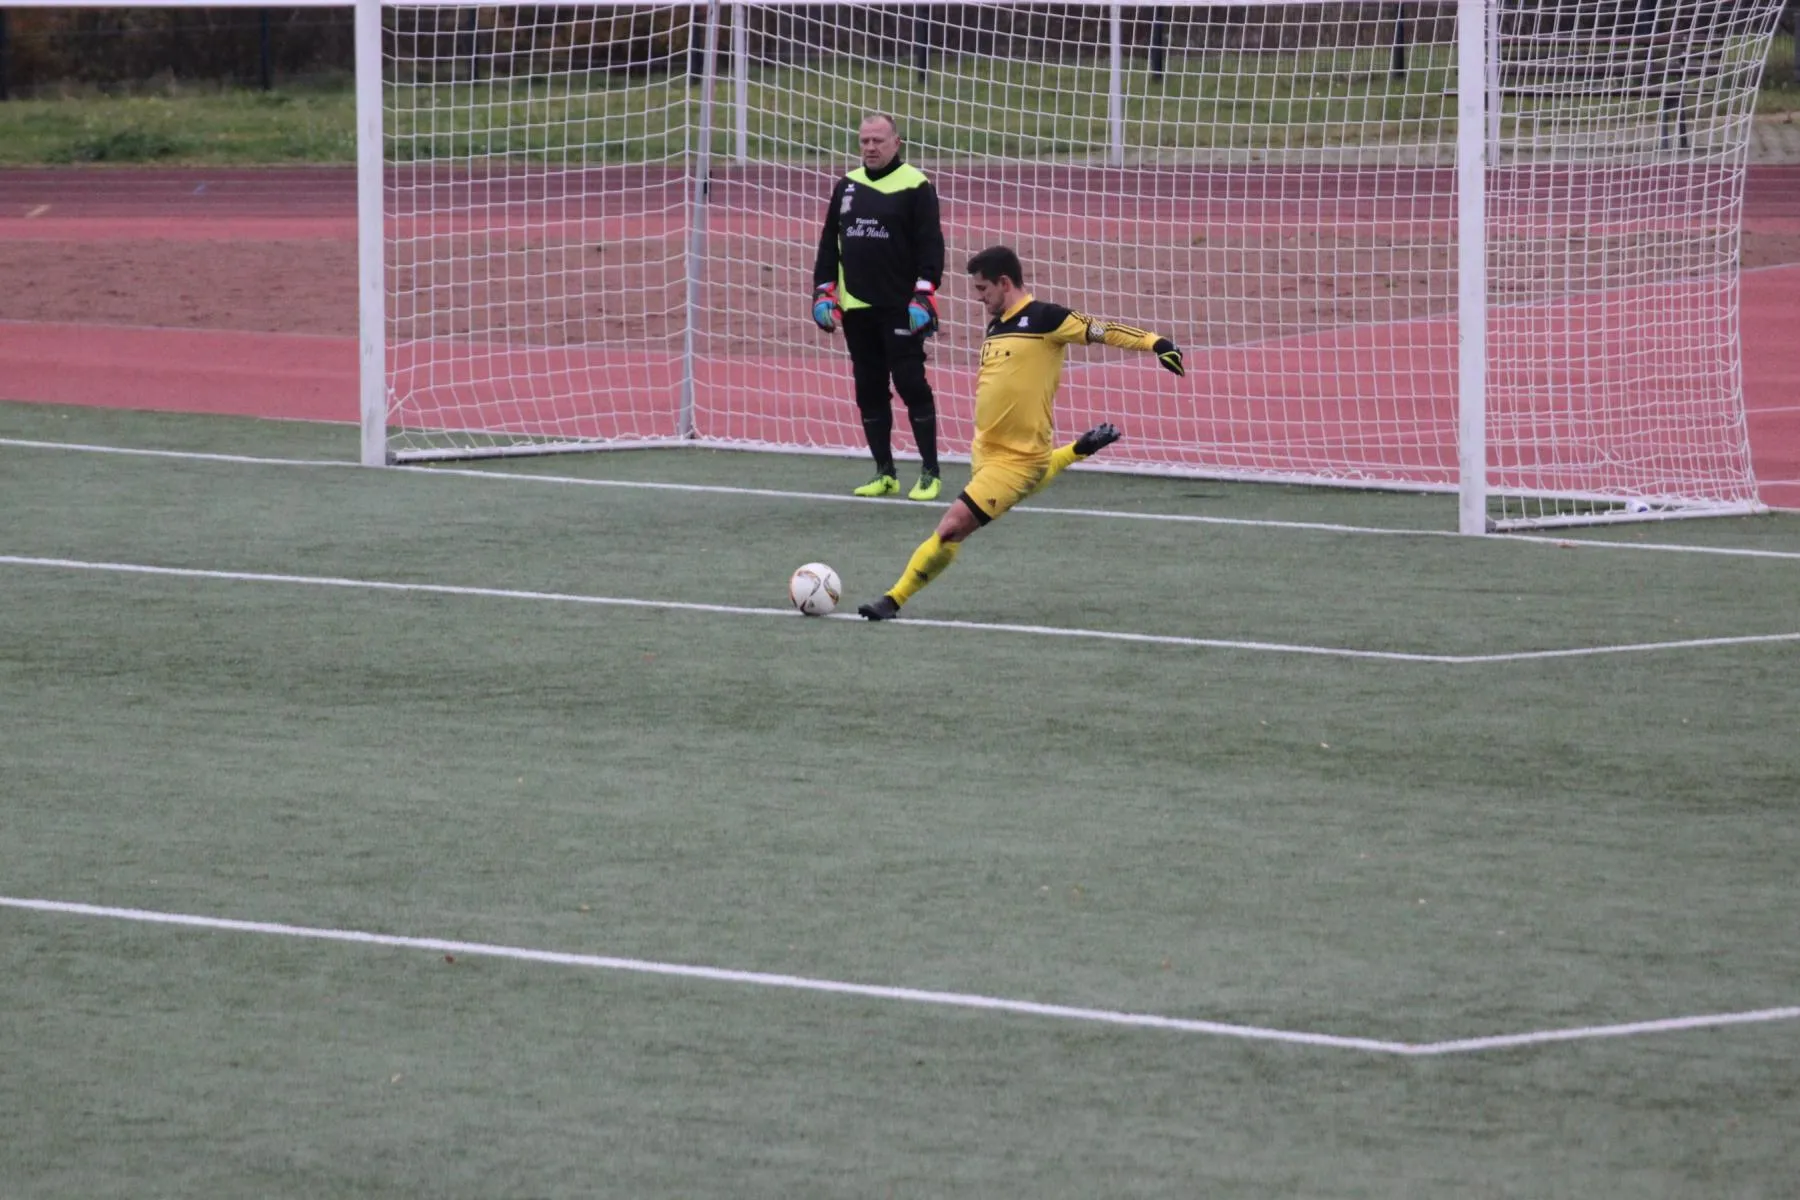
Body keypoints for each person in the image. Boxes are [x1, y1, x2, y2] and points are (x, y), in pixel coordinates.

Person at [858, 245, 1186, 621]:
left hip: (1015, 462)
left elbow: (1103, 330)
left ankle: (893, 599)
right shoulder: (996, 326)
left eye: (983, 289)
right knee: (970, 521)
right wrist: (1077, 450)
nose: (979, 298)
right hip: (987, 452)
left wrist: (1156, 343)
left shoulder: (1046, 318)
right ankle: (1076, 450)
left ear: (1004, 282)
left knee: (951, 528)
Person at [811, 112, 946, 501]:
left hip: (901, 307)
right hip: (857, 307)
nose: (870, 147)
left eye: (878, 141)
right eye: (864, 141)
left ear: (896, 143)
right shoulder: (847, 185)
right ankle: (885, 472)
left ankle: (930, 472)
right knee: (869, 389)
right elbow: (829, 244)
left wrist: (924, 293)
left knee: (910, 384)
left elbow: (930, 244)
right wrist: (823, 292)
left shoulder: (916, 185)